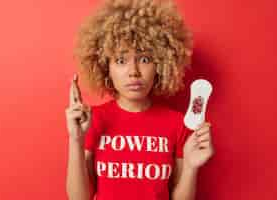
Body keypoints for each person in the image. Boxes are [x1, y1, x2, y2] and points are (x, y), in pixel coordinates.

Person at [65, 0, 215, 200]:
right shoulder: (92, 120)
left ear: (161, 64)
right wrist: (76, 139)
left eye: (144, 59)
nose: (134, 72)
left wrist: (190, 167)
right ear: (105, 67)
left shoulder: (178, 124)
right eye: (120, 60)